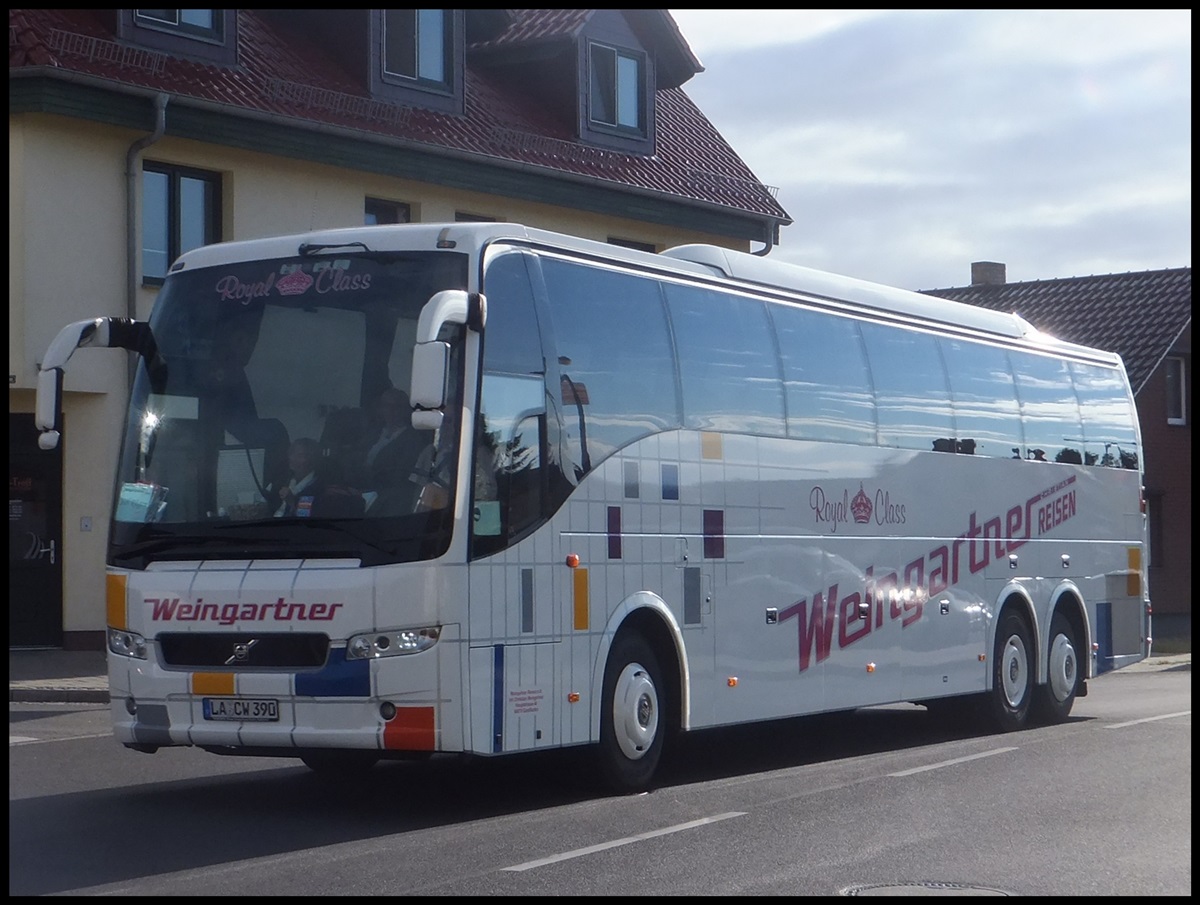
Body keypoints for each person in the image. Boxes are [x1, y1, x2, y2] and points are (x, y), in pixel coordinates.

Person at [270, 437, 325, 517]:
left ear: (311, 460)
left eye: (299, 455)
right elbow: (263, 502)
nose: (291, 458)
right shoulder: (282, 479)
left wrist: (292, 502)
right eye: (291, 454)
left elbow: (304, 519)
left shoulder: (317, 488)